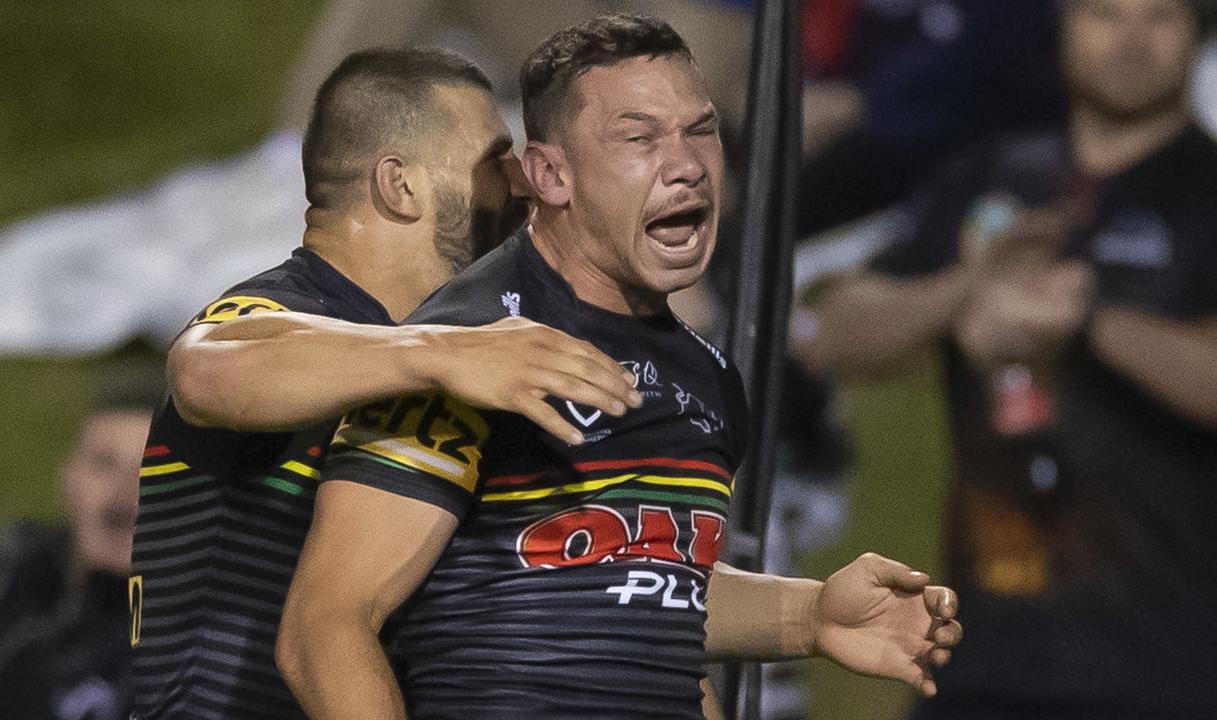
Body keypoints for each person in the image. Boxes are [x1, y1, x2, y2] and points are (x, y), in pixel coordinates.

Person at [279, 15, 961, 719]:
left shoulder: (703, 375)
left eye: (701, 132)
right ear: (550, 174)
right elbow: (326, 627)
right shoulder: (467, 351)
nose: (688, 164)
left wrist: (813, 615)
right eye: (639, 138)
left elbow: (647, 606)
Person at [130, 48, 644, 720]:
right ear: (400, 186)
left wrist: (799, 614)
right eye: (494, 159)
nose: (521, 185)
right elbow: (203, 369)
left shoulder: (459, 364)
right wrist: (436, 352)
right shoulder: (281, 314)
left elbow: (601, 575)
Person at [807, 0, 1217, 717]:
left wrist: (1087, 320)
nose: (1132, 41)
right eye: (1107, 15)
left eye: (1160, 18)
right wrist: (965, 290)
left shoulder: (1207, 192)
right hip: (977, 653)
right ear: (1062, 27)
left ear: (1197, 35)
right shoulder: (990, 176)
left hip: (1168, 660)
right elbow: (836, 333)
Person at [0, 368, 156, 720]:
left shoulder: (213, 649)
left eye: (151, 471)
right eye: (104, 464)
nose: (125, 495)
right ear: (68, 475)